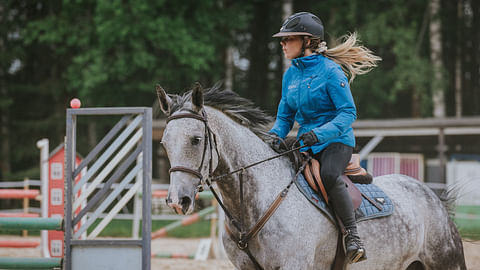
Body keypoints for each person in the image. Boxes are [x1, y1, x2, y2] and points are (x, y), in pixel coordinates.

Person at [268, 11, 381, 264]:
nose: (282, 43)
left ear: (307, 41)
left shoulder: (331, 72)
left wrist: (317, 134)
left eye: (288, 39)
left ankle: (353, 237)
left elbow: (347, 113)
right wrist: (274, 136)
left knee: (330, 174)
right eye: (282, 40)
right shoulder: (290, 75)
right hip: (305, 142)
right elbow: (285, 116)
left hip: (336, 142)